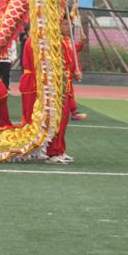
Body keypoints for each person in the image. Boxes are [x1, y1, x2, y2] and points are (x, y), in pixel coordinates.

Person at [46, 17, 83, 165]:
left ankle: (60, 150)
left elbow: (72, 60)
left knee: (64, 120)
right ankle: (52, 152)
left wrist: (76, 71)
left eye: (69, 25)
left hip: (67, 85)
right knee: (57, 120)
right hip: (58, 85)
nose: (67, 27)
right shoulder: (57, 41)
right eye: (64, 25)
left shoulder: (68, 41)